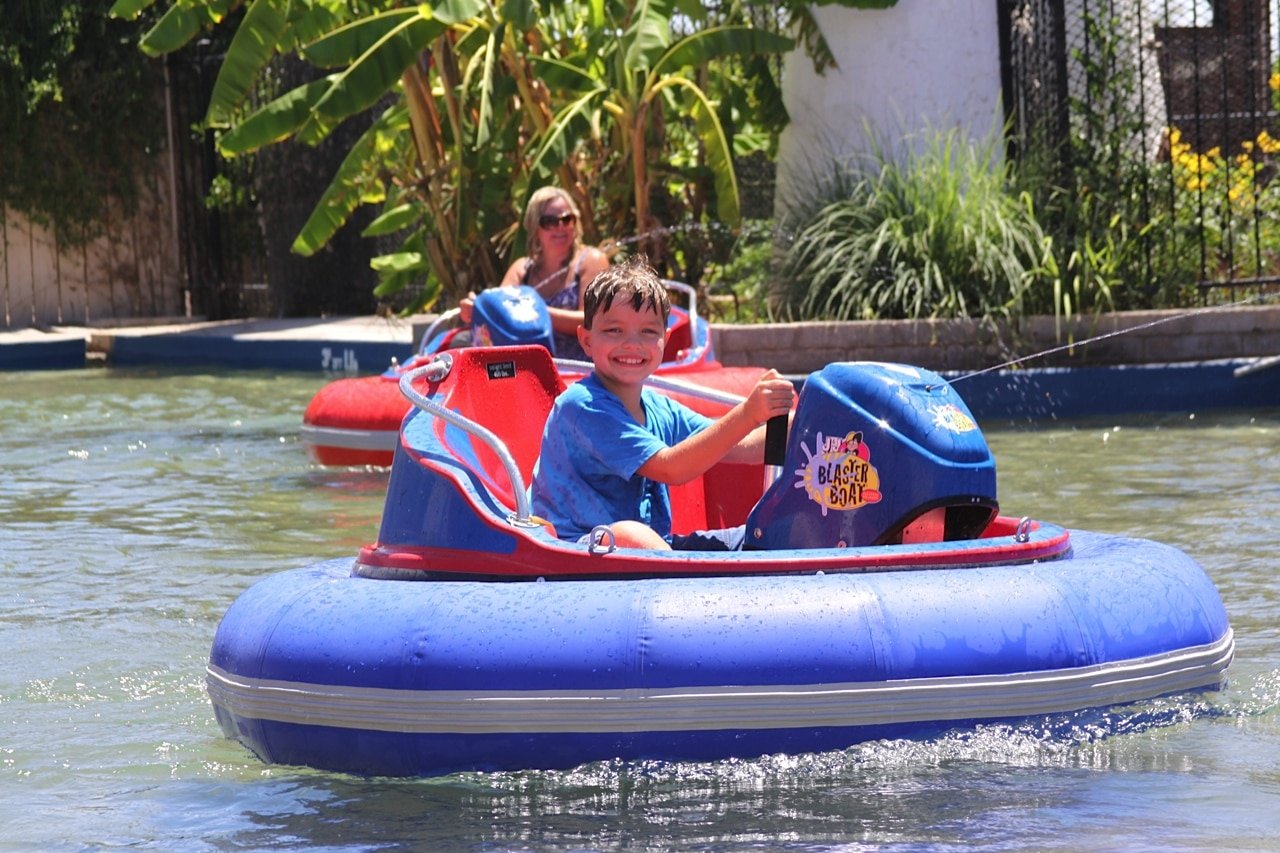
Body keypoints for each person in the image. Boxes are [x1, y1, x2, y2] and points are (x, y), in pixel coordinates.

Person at [530, 256, 796, 551]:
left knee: (772, 532)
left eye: (648, 331)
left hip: (657, 550)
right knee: (631, 535)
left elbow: (741, 447)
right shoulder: (584, 406)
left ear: (665, 340)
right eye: (614, 330)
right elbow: (672, 469)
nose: (632, 343)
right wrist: (748, 412)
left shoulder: (658, 407)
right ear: (587, 340)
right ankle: (683, 584)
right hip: (576, 554)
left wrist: (806, 419)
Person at [459, 186, 610, 360]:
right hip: (526, 369)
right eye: (549, 221)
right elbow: (498, 314)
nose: (560, 226)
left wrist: (537, 312)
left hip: (577, 371)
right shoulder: (522, 269)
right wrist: (476, 309)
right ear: (535, 226)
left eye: (567, 219)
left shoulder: (591, 260)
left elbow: (594, 321)